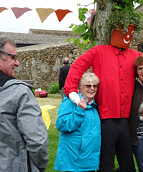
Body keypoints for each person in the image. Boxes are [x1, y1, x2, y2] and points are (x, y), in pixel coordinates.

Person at [64, 28, 143, 172]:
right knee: (105, 162)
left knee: (127, 164)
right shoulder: (98, 51)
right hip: (106, 120)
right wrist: (71, 90)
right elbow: (77, 67)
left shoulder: (133, 55)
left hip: (126, 121)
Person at [0, 36, 49, 171]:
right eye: (13, 57)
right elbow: (37, 141)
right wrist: (39, 166)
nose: (18, 63)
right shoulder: (20, 93)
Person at [54, 72, 101, 172]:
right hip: (75, 160)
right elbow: (62, 125)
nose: (92, 88)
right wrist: (79, 110)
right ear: (80, 88)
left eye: (95, 86)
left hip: (88, 160)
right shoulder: (70, 101)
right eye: (88, 85)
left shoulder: (93, 105)